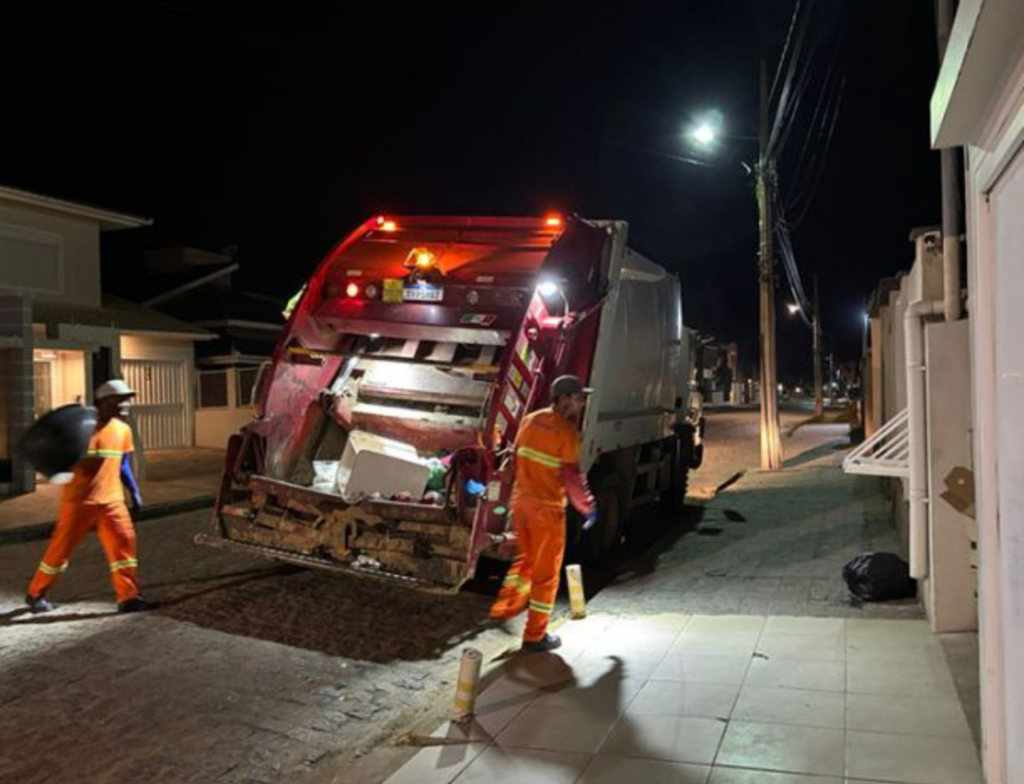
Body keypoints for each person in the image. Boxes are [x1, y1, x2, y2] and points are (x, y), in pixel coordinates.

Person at [25, 379, 156, 614]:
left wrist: (134, 492)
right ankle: (36, 593)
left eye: (127, 400)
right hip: (79, 502)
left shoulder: (123, 430)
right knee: (60, 550)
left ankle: (129, 597)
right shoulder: (80, 427)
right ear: (105, 402)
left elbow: (123, 465)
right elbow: (57, 454)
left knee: (124, 551)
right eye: (120, 400)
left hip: (112, 502)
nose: (125, 406)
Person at [489, 375, 598, 652]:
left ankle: (505, 607)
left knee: (524, 562)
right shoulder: (567, 432)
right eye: (577, 397)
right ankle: (535, 635)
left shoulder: (530, 420)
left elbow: (515, 458)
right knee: (546, 574)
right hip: (547, 512)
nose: (581, 402)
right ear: (561, 398)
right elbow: (573, 478)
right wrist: (588, 508)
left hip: (521, 505)